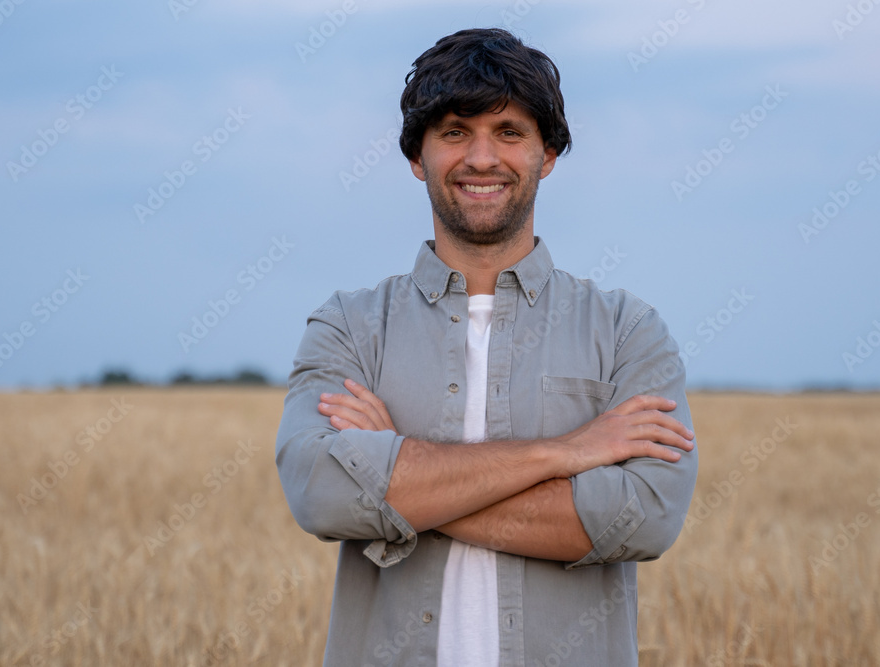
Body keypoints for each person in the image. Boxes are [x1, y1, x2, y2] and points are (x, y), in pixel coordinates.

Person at [275, 27, 698, 667]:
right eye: (453, 131)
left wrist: (396, 479)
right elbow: (322, 494)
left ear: (546, 153)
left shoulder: (626, 331)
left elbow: (645, 518)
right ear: (416, 156)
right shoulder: (349, 326)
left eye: (508, 131)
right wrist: (567, 453)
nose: (481, 158)